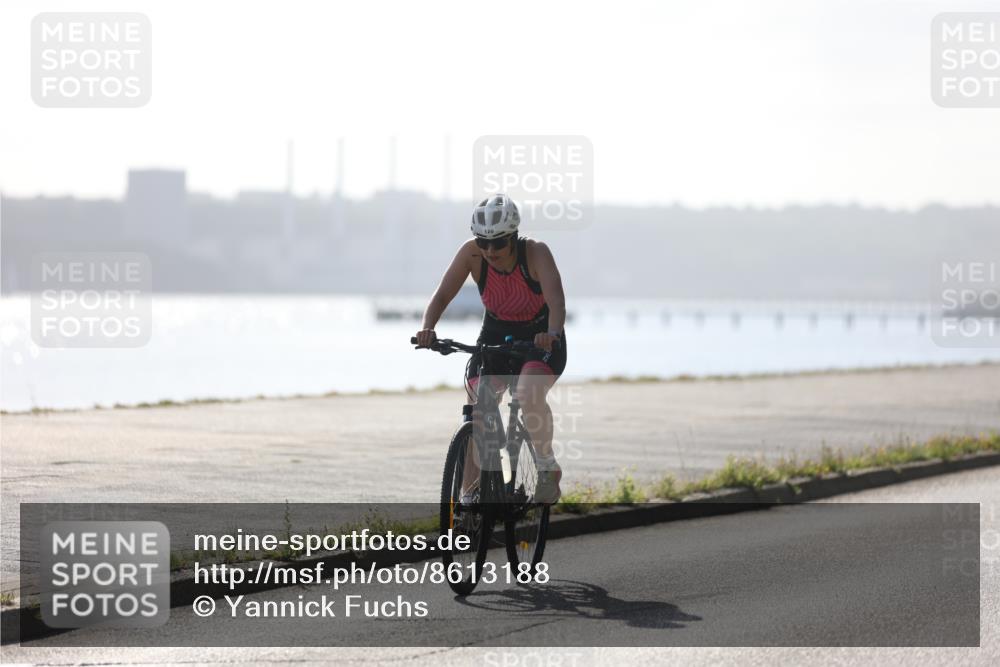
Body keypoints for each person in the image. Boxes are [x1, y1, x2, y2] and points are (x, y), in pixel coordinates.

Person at [414, 194, 567, 504]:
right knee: (479, 405)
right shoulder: (471, 255)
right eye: (483, 242)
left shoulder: (536, 253)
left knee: (527, 393)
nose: (489, 250)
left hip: (540, 338)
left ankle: (547, 467)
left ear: (512, 237)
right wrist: (428, 327)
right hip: (496, 335)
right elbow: (443, 294)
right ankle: (470, 496)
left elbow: (556, 301)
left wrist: (550, 333)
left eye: (498, 243)